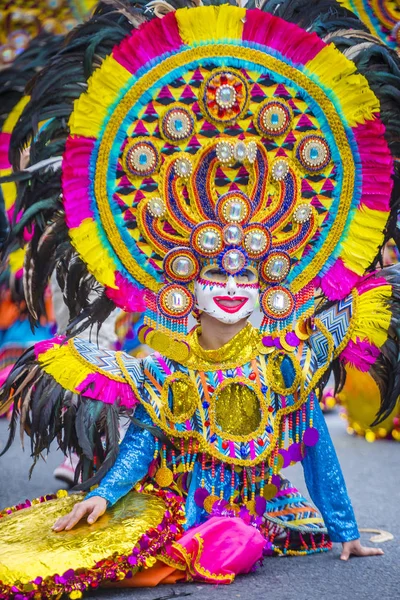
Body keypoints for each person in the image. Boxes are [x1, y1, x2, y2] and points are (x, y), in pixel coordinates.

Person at [1, 0, 400, 597]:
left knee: (237, 540)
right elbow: (139, 447)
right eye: (218, 274)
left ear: (270, 287)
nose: (235, 288)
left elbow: (319, 456)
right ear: (187, 286)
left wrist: (345, 530)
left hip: (253, 521)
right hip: (180, 515)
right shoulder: (163, 373)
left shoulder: (284, 369)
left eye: (248, 277)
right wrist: (105, 496)